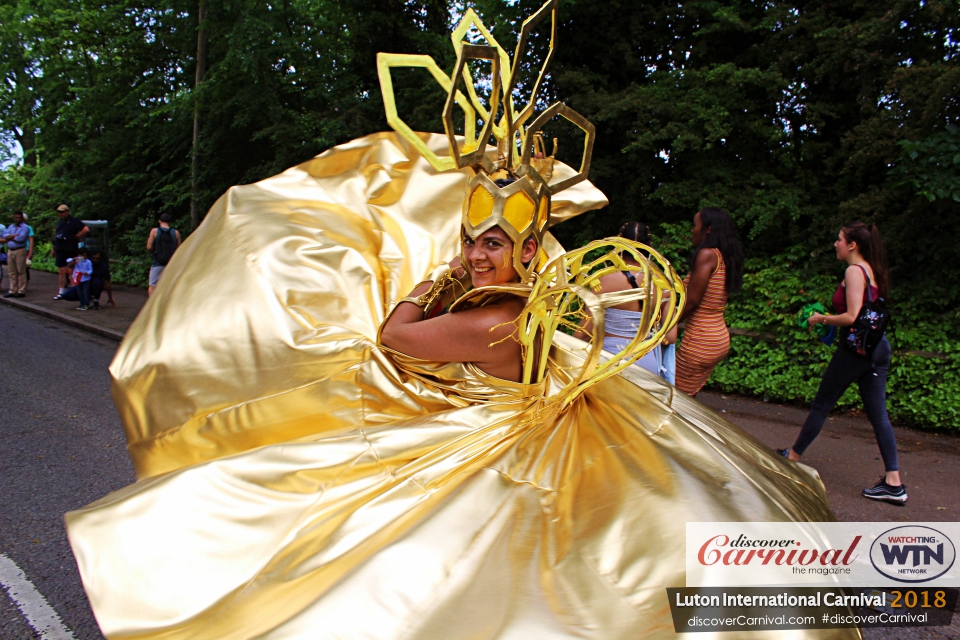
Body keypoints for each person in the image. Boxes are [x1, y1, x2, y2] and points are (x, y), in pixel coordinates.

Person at [65, 5, 844, 638]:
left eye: (493, 245)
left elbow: (395, 337)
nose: (476, 256)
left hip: (498, 456)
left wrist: (430, 281)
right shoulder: (535, 307)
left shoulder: (493, 324)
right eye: (471, 242)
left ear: (526, 248)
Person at [779, 222, 905, 504]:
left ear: (852, 245)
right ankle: (894, 483)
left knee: (822, 404)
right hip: (877, 348)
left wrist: (821, 318)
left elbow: (851, 316)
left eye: (839, 239)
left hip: (855, 351)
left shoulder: (854, 271)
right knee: (879, 416)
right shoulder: (873, 270)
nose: (835, 244)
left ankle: (794, 456)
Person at [574, 221, 678, 379]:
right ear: (649, 247)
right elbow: (670, 338)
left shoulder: (604, 283)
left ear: (618, 244)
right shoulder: (662, 286)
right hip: (647, 362)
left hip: (611, 361)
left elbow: (583, 333)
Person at [674, 207, 743, 395]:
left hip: (700, 339)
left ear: (708, 229)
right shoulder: (723, 256)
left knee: (676, 397)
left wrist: (666, 324)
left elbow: (693, 300)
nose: (692, 230)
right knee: (687, 396)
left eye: (695, 225)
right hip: (717, 336)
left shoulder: (707, 255)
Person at [52, 204, 90, 299]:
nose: (60, 214)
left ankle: (75, 290)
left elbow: (86, 229)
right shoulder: (60, 222)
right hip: (60, 248)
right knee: (61, 270)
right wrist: (53, 248)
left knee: (71, 270)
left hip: (70, 248)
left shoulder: (74, 221)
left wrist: (77, 236)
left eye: (62, 212)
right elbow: (56, 235)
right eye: (59, 212)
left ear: (67, 212)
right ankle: (61, 291)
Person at [146, 213, 180, 296]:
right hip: (171, 263)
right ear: (170, 222)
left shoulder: (154, 231)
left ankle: (153, 307)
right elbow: (179, 249)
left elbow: (149, 247)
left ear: (159, 221)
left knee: (152, 286)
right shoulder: (176, 232)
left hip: (158, 262)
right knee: (170, 286)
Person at [2, 211, 30, 298]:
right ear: (14, 218)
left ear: (22, 218)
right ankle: (12, 290)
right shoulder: (11, 226)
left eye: (19, 217)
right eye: (16, 217)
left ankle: (21, 290)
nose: (17, 219)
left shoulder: (25, 227)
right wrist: (12, 236)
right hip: (10, 250)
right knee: (11, 271)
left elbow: (20, 238)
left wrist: (10, 237)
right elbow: (4, 235)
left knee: (21, 271)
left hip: (20, 250)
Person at [21, 213, 35, 291]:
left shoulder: (28, 228)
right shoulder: (16, 227)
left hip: (25, 249)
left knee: (25, 268)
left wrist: (30, 251)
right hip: (18, 249)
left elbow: (31, 240)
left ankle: (24, 285)